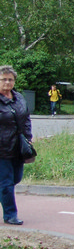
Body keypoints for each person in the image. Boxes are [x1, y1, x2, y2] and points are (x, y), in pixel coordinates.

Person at [0, 66, 31, 225]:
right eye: (4, 79)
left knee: (16, 178)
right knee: (6, 183)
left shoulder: (18, 98)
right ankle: (10, 215)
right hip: (2, 148)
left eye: (10, 79)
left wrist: (28, 137)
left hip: (18, 146)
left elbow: (26, 118)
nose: (7, 82)